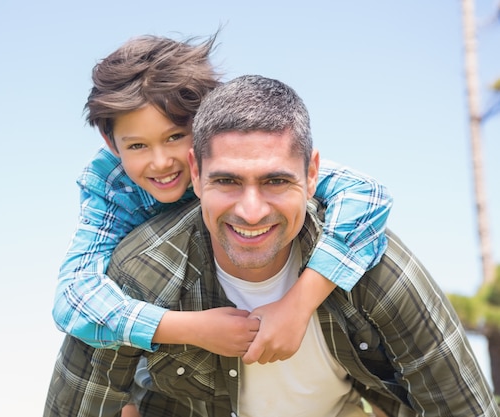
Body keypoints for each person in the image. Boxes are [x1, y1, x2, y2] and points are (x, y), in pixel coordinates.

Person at [44, 75, 498, 417]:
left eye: (276, 180)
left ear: (312, 173)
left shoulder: (372, 261)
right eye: (227, 180)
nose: (253, 210)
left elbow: (462, 406)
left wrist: (298, 305)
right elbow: (76, 308)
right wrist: (184, 328)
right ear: (197, 172)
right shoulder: (139, 270)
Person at [51, 33, 392, 367]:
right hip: (168, 360)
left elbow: (366, 194)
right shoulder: (113, 185)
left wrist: (298, 305)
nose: (160, 162)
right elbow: (73, 295)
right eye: (137, 146)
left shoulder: (244, 160)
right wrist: (189, 329)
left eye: (174, 137)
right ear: (112, 144)